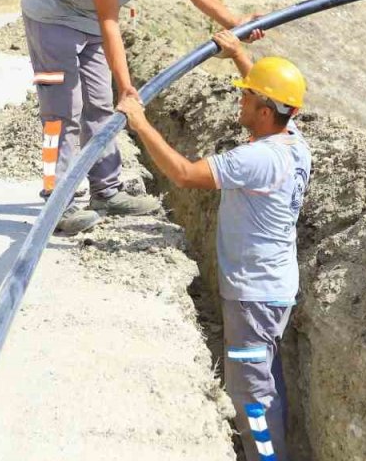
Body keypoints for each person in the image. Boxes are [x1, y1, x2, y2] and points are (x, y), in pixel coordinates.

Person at [20, 0, 262, 234]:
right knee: (62, 112)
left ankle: (107, 191)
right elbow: (110, 21)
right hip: (53, 16)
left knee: (100, 106)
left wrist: (236, 20)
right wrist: (128, 86)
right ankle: (59, 202)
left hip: (88, 19)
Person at [117, 31, 310, 461]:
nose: (239, 104)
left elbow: (185, 174)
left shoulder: (256, 159)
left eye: (247, 99)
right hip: (274, 290)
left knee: (250, 394)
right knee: (264, 374)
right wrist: (241, 56)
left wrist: (140, 122)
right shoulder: (294, 144)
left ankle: (266, 457)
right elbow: (279, 103)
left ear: (264, 111)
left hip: (251, 299)